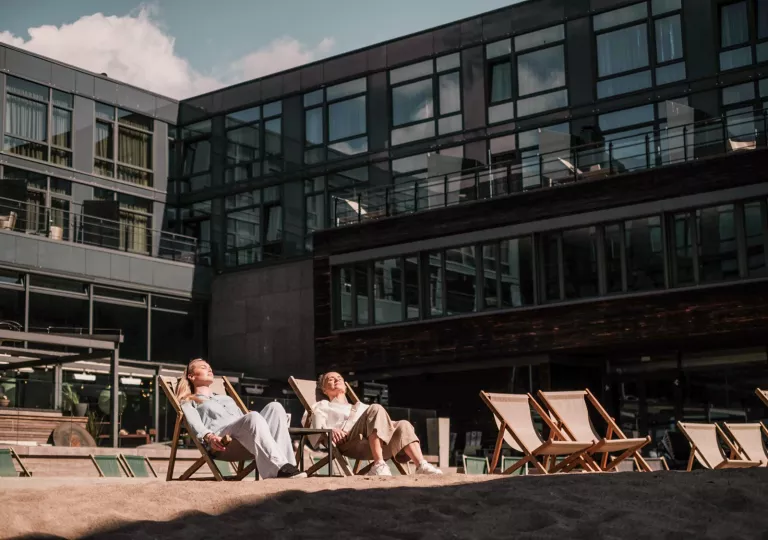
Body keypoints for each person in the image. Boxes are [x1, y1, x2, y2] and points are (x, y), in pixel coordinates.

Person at [176, 358, 306, 479]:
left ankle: (288, 466)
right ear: (191, 376)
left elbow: (243, 419)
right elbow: (194, 423)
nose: (209, 369)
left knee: (275, 407)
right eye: (203, 367)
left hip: (246, 437)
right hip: (222, 440)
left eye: (210, 368)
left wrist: (250, 418)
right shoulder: (188, 401)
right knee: (253, 417)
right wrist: (209, 437)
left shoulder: (225, 398)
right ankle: (279, 469)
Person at [308, 372, 442, 476]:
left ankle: (421, 465)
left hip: (372, 440)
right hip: (348, 441)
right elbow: (313, 424)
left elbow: (382, 422)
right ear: (324, 390)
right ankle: (379, 464)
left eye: (339, 378)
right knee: (376, 408)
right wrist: (330, 430)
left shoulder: (360, 406)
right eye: (331, 379)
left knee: (403, 424)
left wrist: (396, 428)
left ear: (346, 386)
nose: (337, 380)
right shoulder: (322, 405)